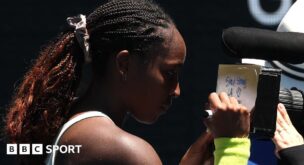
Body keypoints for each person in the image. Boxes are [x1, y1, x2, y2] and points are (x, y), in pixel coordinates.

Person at [5, 0, 251, 164]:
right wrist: (233, 147)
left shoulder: (77, 131)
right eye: (169, 73)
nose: (177, 90)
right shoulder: (124, 150)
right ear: (124, 64)